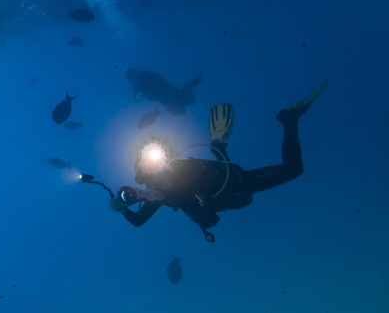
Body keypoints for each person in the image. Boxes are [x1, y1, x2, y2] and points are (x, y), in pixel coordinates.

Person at [111, 81, 327, 242]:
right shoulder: (154, 195)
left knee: (293, 170)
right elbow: (139, 221)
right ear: (142, 173)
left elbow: (212, 168)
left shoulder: (177, 168)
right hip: (234, 191)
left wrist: (218, 147)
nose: (152, 163)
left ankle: (289, 120)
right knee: (293, 170)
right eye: (144, 163)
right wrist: (122, 207)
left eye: (151, 159)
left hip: (238, 182)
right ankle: (289, 119)